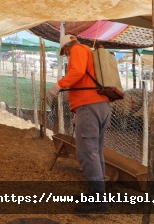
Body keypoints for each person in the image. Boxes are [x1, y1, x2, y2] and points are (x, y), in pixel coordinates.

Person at [48, 34, 111, 213]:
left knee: (87, 152)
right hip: (100, 105)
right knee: (96, 152)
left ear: (66, 47)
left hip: (89, 105)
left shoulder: (77, 49)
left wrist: (59, 85)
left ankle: (98, 200)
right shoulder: (87, 51)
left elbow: (77, 71)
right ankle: (96, 194)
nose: (66, 55)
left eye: (64, 52)